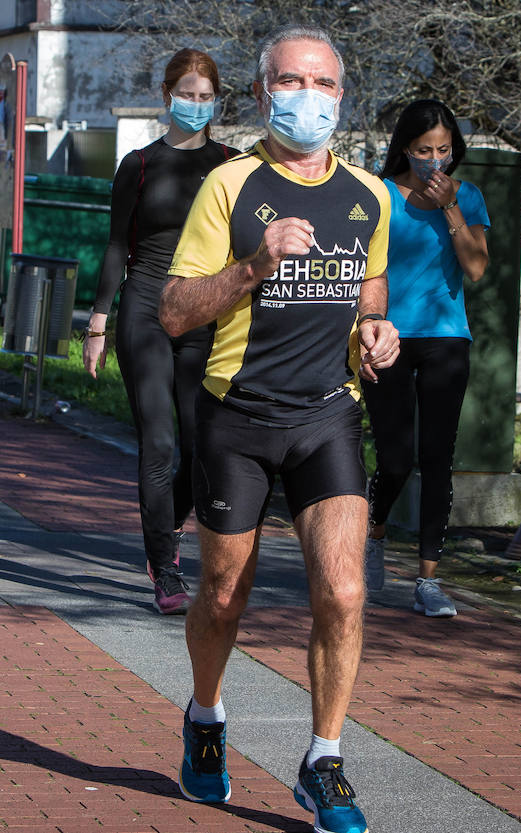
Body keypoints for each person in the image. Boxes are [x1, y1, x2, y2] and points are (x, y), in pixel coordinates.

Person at [159, 24, 399, 833]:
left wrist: (377, 332)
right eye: (292, 82)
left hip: (328, 415)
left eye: (324, 83)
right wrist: (256, 265)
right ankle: (204, 716)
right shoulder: (229, 185)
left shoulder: (369, 196)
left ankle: (323, 758)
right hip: (239, 417)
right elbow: (174, 312)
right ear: (264, 93)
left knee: (344, 588)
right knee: (224, 596)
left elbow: (369, 291)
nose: (309, 96)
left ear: (342, 95)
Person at [84, 48, 239, 616]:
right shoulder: (140, 164)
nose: (196, 106)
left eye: (206, 97)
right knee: (160, 442)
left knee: (202, 448)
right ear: (167, 96)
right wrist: (97, 322)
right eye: (187, 95)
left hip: (202, 309)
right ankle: (167, 570)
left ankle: (163, 531)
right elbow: (116, 245)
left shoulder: (230, 164)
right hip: (145, 304)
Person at [362, 99, 490, 617]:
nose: (434, 160)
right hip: (389, 336)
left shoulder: (468, 196)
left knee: (438, 458)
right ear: (405, 149)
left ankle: (428, 579)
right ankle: (373, 534)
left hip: (445, 338)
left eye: (443, 150)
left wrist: (451, 208)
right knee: (395, 458)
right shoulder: (380, 193)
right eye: (423, 151)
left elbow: (477, 268)